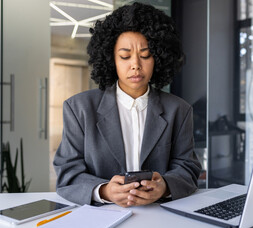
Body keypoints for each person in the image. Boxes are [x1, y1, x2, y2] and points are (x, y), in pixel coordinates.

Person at [53, 2, 202, 207]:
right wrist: (104, 190)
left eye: (145, 55)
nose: (135, 65)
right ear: (111, 59)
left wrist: (165, 186)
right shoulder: (79, 108)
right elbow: (67, 172)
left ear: (158, 58)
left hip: (159, 217)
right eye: (125, 56)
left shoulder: (179, 110)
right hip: (100, 217)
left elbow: (187, 167)